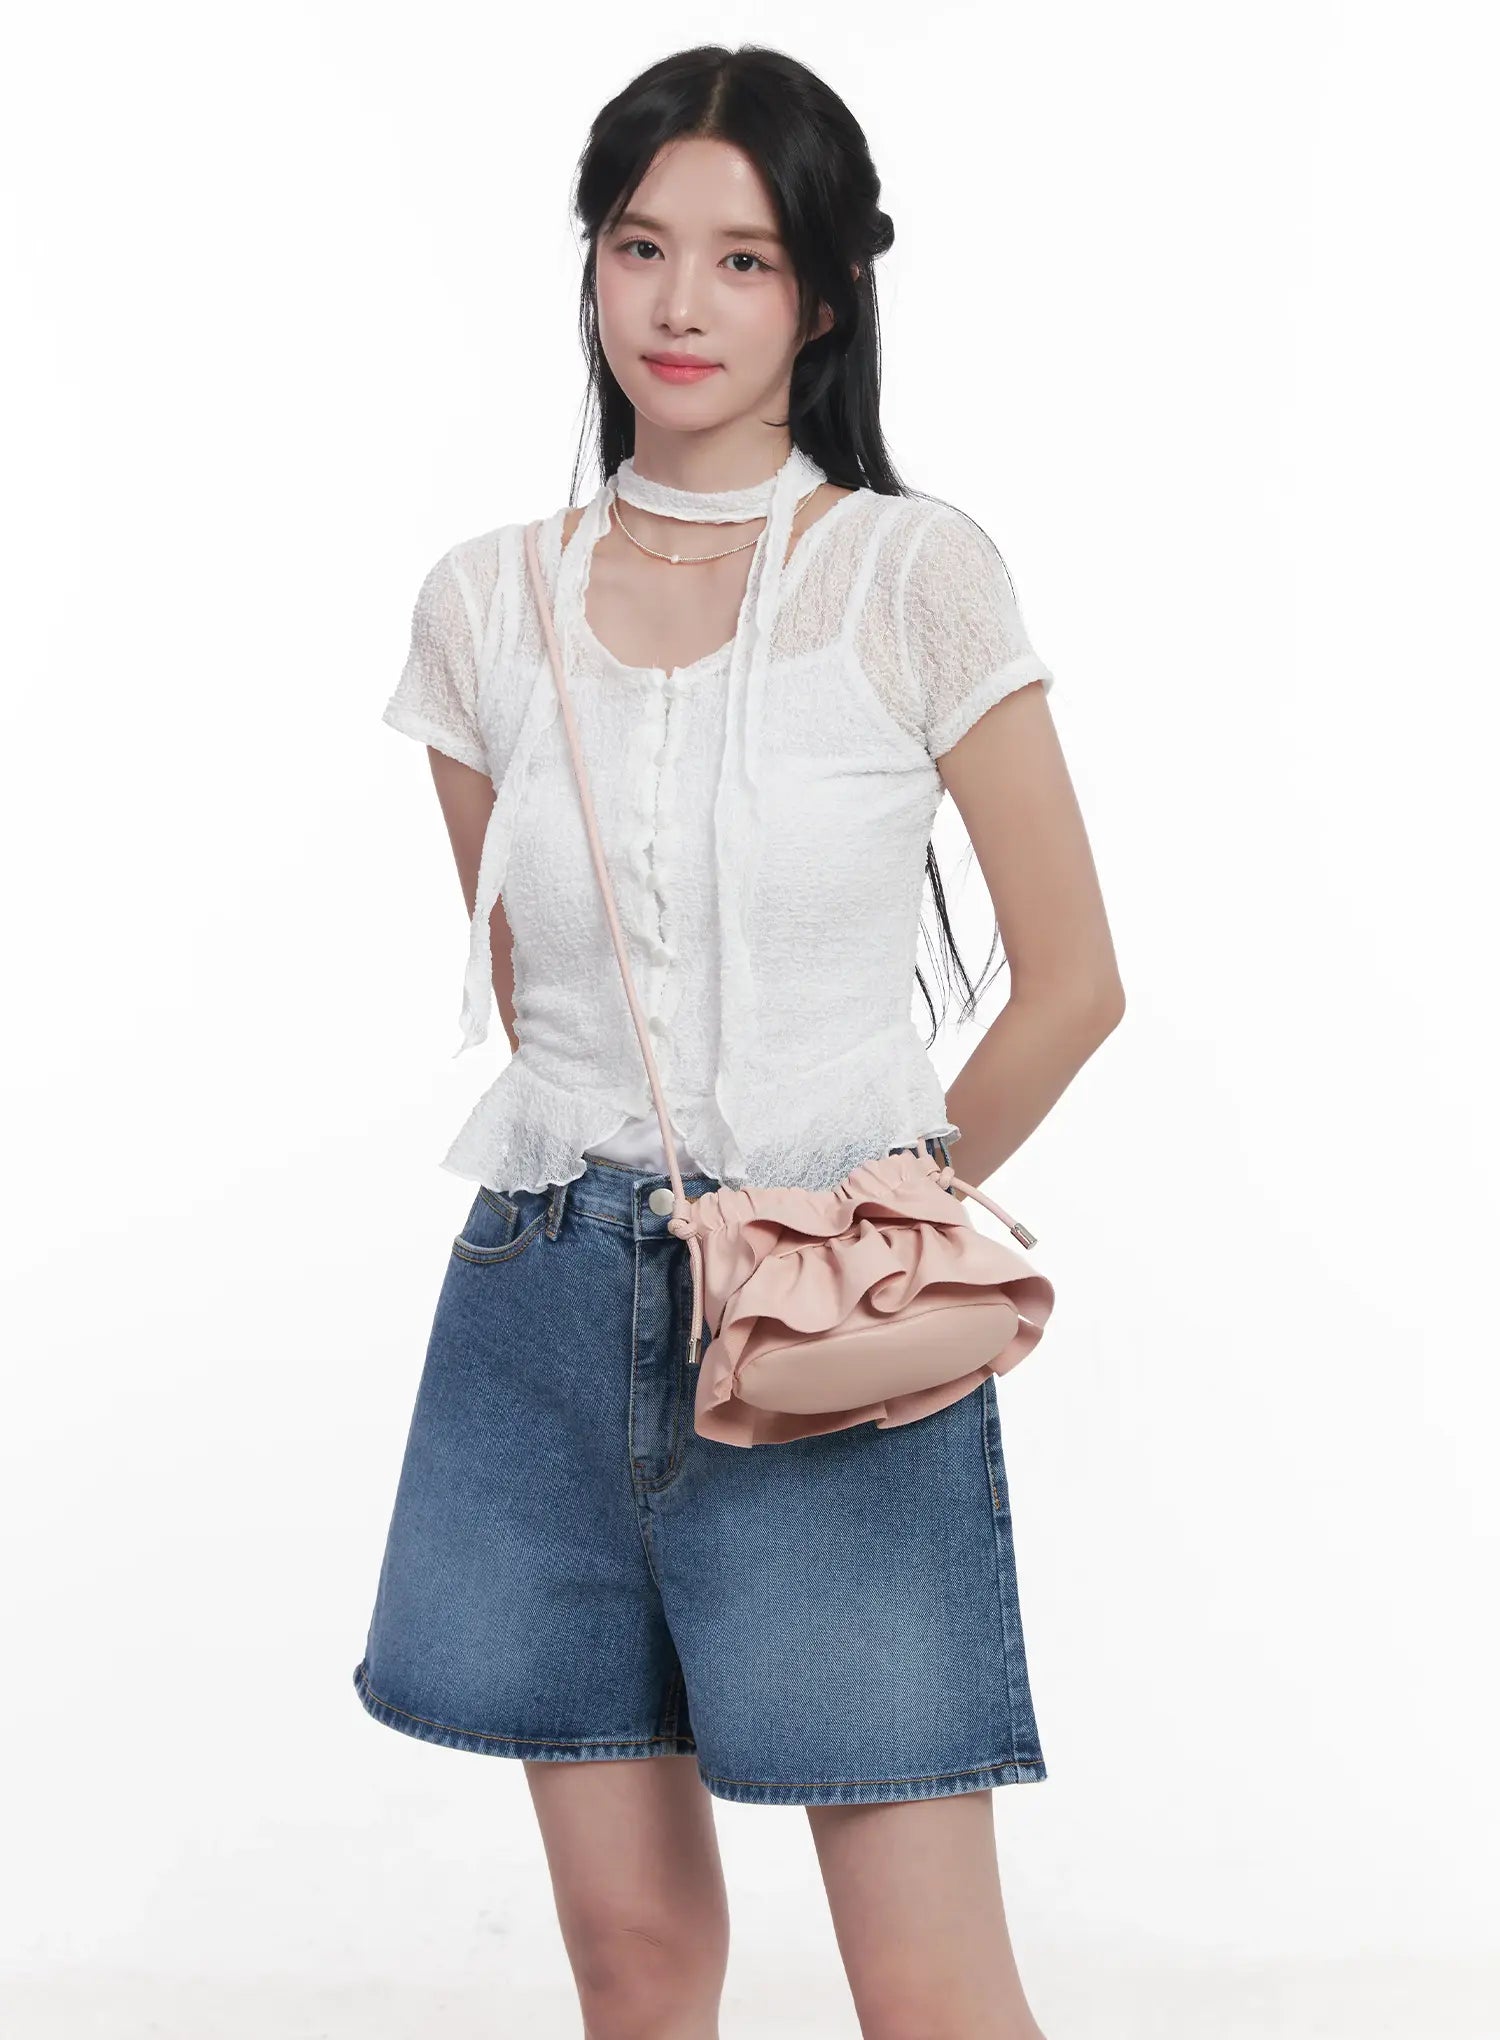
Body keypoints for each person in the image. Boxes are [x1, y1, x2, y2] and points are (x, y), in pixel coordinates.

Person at [354, 42, 1124, 2040]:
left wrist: (874, 1227)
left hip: (821, 1320)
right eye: (640, 247)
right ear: (592, 267)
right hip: (539, 1306)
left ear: (828, 294)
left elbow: (1073, 983)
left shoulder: (911, 574)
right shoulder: (485, 606)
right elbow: (534, 993)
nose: (679, 303)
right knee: (631, 1958)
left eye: (744, 258)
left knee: (927, 1982)